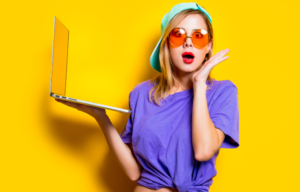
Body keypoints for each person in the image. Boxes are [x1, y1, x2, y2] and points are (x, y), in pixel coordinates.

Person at [55, 2, 239, 192]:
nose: (188, 42)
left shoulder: (222, 92)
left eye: (198, 36)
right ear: (167, 42)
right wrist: (101, 117)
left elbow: (203, 151)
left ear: (208, 46)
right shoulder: (142, 93)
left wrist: (200, 83)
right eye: (178, 34)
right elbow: (135, 173)